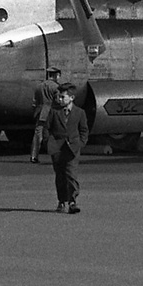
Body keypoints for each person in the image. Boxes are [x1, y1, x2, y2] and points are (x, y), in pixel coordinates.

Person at [46, 83, 88, 214]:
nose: (60, 99)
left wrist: (80, 143)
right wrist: (49, 142)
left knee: (71, 175)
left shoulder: (80, 113)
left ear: (71, 98)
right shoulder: (54, 111)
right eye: (59, 97)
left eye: (63, 97)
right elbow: (47, 128)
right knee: (60, 176)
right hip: (57, 148)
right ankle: (61, 201)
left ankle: (72, 201)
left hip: (72, 148)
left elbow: (84, 130)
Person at [30, 67, 61, 163]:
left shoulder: (39, 86)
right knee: (56, 133)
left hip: (40, 113)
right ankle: (56, 155)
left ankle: (34, 156)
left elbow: (34, 102)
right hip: (52, 113)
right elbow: (58, 101)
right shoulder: (56, 87)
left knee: (38, 134)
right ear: (56, 75)